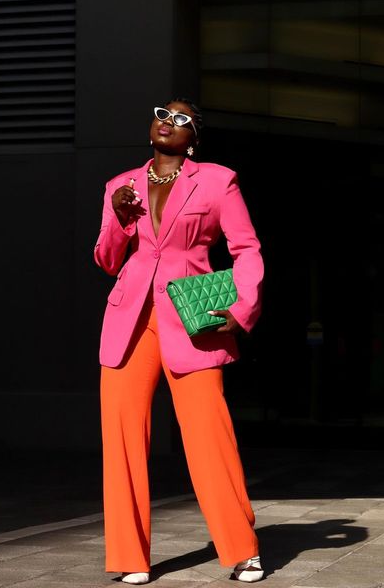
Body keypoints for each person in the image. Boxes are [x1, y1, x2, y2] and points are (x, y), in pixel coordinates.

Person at [93, 97, 265, 584]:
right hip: (130, 322)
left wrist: (240, 308)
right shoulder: (119, 185)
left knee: (210, 437)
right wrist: (120, 215)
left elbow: (246, 247)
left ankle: (241, 549)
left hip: (193, 318)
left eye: (182, 119)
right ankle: (129, 556)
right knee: (122, 442)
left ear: (195, 138)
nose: (169, 123)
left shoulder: (217, 180)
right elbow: (108, 259)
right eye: (163, 114)